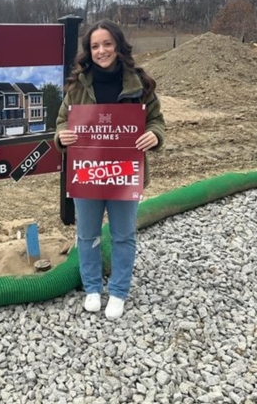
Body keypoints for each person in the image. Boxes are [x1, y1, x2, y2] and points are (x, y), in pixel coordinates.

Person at [54, 19, 165, 320]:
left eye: (107, 44)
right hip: (87, 172)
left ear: (117, 45)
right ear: (88, 52)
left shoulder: (138, 83)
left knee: (123, 235)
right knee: (87, 234)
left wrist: (154, 135)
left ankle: (118, 291)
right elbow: (62, 121)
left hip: (124, 172)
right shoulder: (78, 85)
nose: (101, 50)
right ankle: (92, 288)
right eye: (94, 46)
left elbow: (156, 120)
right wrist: (62, 137)